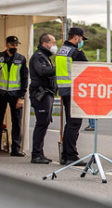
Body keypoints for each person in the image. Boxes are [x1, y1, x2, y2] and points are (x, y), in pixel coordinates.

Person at [56, 27, 88, 166]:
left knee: (69, 123)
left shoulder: (61, 51)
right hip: (75, 91)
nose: (81, 41)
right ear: (76, 37)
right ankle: (71, 155)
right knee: (74, 124)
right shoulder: (76, 53)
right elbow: (88, 70)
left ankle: (65, 155)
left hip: (64, 90)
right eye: (81, 38)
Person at [29, 33, 58, 164]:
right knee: (41, 124)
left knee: (44, 124)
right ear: (45, 43)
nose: (55, 45)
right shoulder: (38, 57)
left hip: (47, 94)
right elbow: (41, 71)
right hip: (41, 94)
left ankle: (39, 153)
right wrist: (58, 69)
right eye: (53, 42)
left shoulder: (46, 57)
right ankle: (36, 154)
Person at [0, 36, 28, 157]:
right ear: (7, 44)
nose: (15, 46)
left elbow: (24, 79)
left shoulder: (21, 59)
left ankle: (16, 149)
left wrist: (21, 97)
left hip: (15, 94)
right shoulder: (0, 57)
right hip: (1, 93)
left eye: (16, 44)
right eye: (12, 44)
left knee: (16, 122)